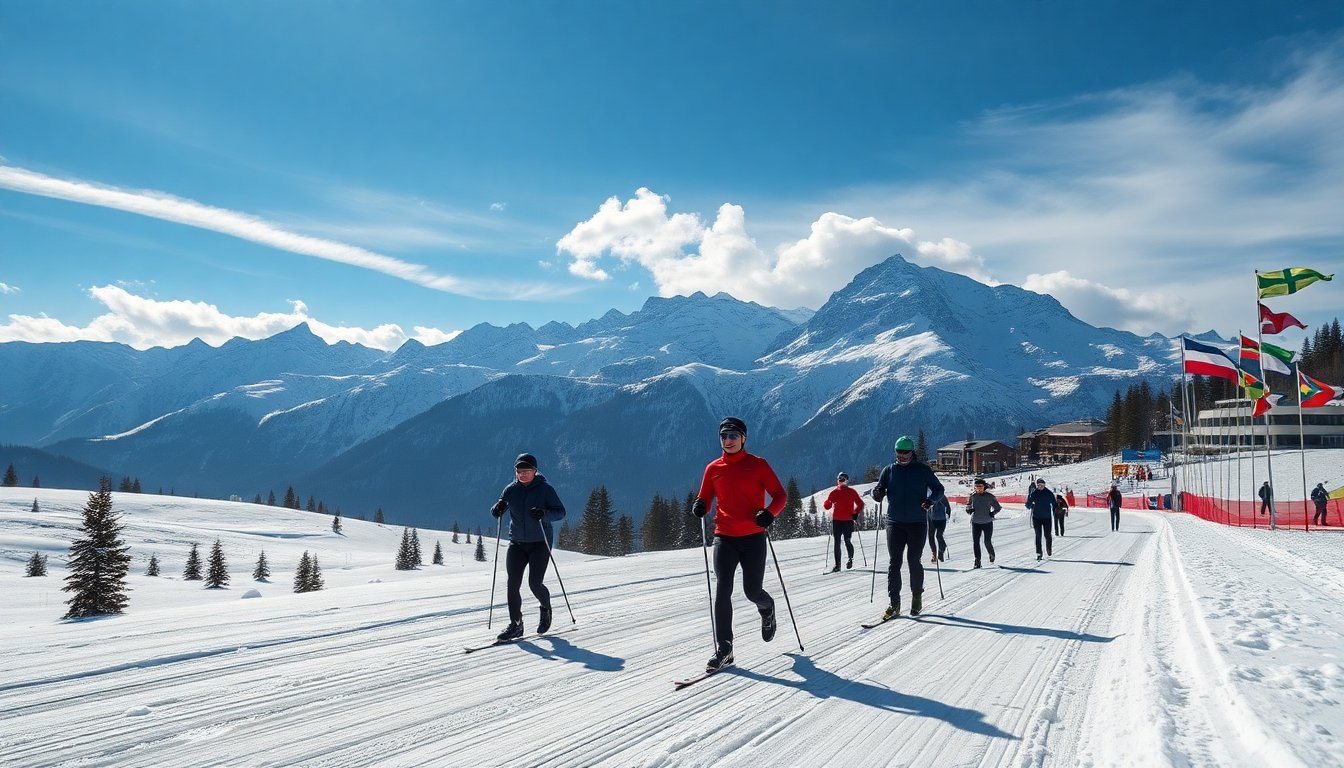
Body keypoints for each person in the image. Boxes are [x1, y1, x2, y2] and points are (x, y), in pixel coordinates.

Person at [692, 417, 787, 673]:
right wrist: (700, 505)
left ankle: (767, 609)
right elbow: (705, 497)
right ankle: (725, 647)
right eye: (723, 436)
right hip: (724, 536)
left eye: (733, 435)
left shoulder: (758, 465)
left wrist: (769, 514)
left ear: (744, 438)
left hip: (754, 537)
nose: (728, 440)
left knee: (751, 592)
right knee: (723, 590)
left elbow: (780, 495)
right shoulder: (713, 468)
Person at [489, 453, 567, 641]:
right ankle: (516, 625)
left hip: (540, 543)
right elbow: (498, 508)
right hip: (516, 543)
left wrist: (544, 514)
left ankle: (546, 608)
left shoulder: (545, 490)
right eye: (519, 471)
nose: (523, 474)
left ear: (535, 471)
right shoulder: (510, 490)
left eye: (527, 471)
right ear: (515, 472)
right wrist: (497, 509)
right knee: (512, 584)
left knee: (534, 583)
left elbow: (560, 512)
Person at [872, 435, 945, 619]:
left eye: (906, 452)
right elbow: (878, 490)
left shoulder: (923, 470)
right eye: (899, 452)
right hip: (894, 522)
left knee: (914, 561)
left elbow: (939, 489)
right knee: (894, 563)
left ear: (912, 452)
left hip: (917, 523)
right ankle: (894, 603)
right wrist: (877, 493)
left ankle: (916, 598)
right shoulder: (889, 471)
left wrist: (931, 501)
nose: (902, 455)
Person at [823, 472, 863, 571]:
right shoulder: (835, 492)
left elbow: (860, 504)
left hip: (844, 521)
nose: (841, 481)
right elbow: (827, 506)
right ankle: (838, 565)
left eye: (843, 479)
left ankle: (848, 560)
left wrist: (855, 513)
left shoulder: (847, 492)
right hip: (839, 521)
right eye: (840, 479)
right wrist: (827, 503)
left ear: (846, 480)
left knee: (845, 541)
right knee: (839, 542)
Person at [964, 477, 1002, 568]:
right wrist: (969, 510)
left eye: (980, 486)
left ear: (984, 487)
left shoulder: (990, 497)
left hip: (987, 522)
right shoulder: (972, 496)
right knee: (976, 542)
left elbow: (998, 507)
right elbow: (968, 506)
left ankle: (991, 553)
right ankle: (977, 560)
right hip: (976, 522)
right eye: (976, 486)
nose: (978, 488)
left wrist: (992, 514)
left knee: (987, 541)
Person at [1026, 478, 1056, 560]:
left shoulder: (1048, 493)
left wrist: (1054, 511)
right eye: (1038, 485)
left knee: (1047, 535)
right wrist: (1030, 505)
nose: (1040, 486)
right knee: (1038, 536)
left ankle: (1049, 548)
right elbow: (1028, 503)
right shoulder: (1034, 493)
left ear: (1044, 485)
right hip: (1036, 518)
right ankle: (1039, 553)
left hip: (1047, 518)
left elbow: (1054, 503)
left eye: (1041, 485)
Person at [927, 495, 951, 563]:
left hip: (941, 519)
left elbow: (948, 507)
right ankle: (934, 554)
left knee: (939, 535)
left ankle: (941, 550)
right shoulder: (928, 495)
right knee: (931, 536)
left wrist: (947, 515)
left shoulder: (942, 496)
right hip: (931, 519)